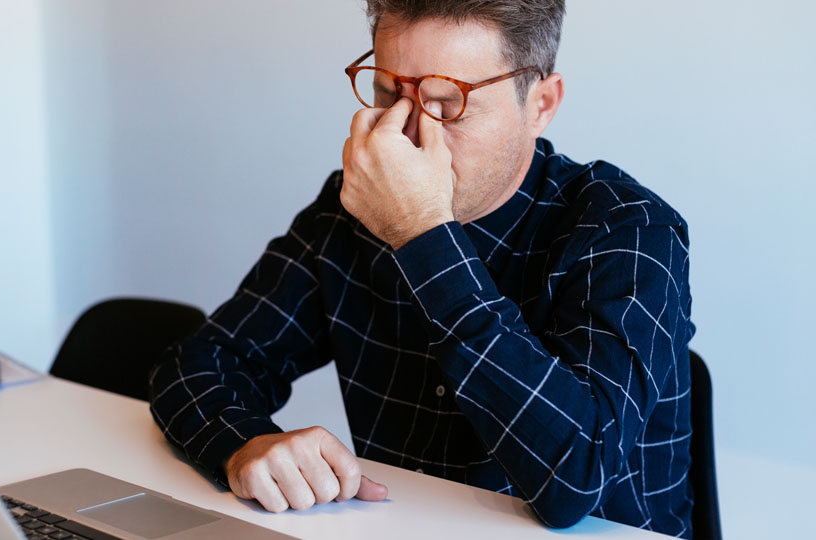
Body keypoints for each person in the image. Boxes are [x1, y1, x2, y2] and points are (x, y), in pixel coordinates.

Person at [150, 1, 695, 537]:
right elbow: (205, 361)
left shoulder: (629, 230)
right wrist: (242, 442)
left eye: (448, 102)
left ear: (542, 103)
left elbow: (576, 478)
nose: (405, 134)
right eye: (388, 92)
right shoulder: (353, 209)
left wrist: (422, 236)